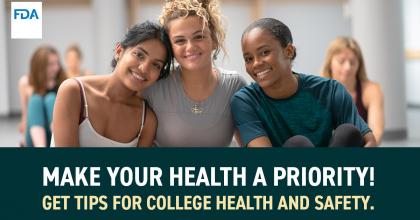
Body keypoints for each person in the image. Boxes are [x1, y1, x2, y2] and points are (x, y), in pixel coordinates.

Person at [231, 18, 377, 147]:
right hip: (285, 174)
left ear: (288, 51)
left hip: (334, 173)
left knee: (348, 133)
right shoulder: (245, 101)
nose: (256, 64)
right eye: (248, 59)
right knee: (298, 144)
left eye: (265, 52)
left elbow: (370, 141)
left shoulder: (331, 91)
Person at [142, 0, 247, 147]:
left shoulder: (235, 86)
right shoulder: (154, 87)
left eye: (199, 37)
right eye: (180, 41)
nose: (190, 47)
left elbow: (250, 146)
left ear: (214, 40)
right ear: (170, 48)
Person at [52, 21, 173, 147]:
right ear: (119, 51)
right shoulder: (73, 91)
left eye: (156, 65)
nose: (144, 68)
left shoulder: (147, 121)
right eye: (139, 54)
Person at [321, 36, 384, 144]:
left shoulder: (371, 90)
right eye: (341, 61)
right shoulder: (319, 88)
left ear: (359, 65)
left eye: (352, 62)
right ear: (330, 63)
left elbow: (376, 132)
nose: (347, 67)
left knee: (347, 132)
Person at [24, 45, 67, 147]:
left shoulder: (65, 84)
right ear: (40, 66)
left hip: (56, 136)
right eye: (51, 64)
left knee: (50, 98)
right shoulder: (26, 84)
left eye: (57, 63)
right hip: (35, 137)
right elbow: (26, 116)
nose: (56, 68)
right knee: (35, 100)